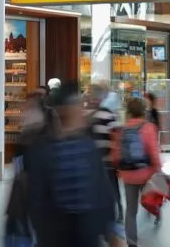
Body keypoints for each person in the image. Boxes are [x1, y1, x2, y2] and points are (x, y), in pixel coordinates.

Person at [25, 83, 114, 247]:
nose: (82, 108)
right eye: (77, 104)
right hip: (57, 233)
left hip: (87, 232)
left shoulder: (87, 144)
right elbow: (36, 195)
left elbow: (101, 188)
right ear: (65, 110)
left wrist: (109, 227)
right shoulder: (44, 147)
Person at [112, 97, 161, 247]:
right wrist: (157, 169)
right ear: (143, 111)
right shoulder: (149, 127)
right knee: (153, 198)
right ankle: (157, 215)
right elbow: (153, 152)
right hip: (147, 173)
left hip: (128, 175)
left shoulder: (122, 130)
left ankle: (132, 242)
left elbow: (116, 154)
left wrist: (118, 170)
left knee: (131, 210)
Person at [86, 84, 123, 222]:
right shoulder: (108, 114)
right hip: (106, 159)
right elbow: (116, 135)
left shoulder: (89, 115)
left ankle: (111, 212)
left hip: (97, 160)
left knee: (101, 187)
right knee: (112, 187)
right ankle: (118, 211)